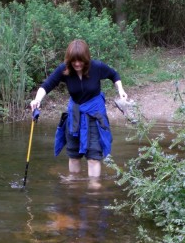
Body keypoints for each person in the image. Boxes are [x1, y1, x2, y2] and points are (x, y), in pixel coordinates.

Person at [30, 39, 128, 180]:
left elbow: (114, 75)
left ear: (86, 59)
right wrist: (37, 100)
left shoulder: (97, 67)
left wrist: (121, 90)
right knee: (73, 154)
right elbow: (46, 85)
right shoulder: (64, 69)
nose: (77, 64)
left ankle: (94, 190)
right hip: (75, 114)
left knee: (93, 156)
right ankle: (74, 188)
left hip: (95, 114)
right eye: (73, 61)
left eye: (80, 60)